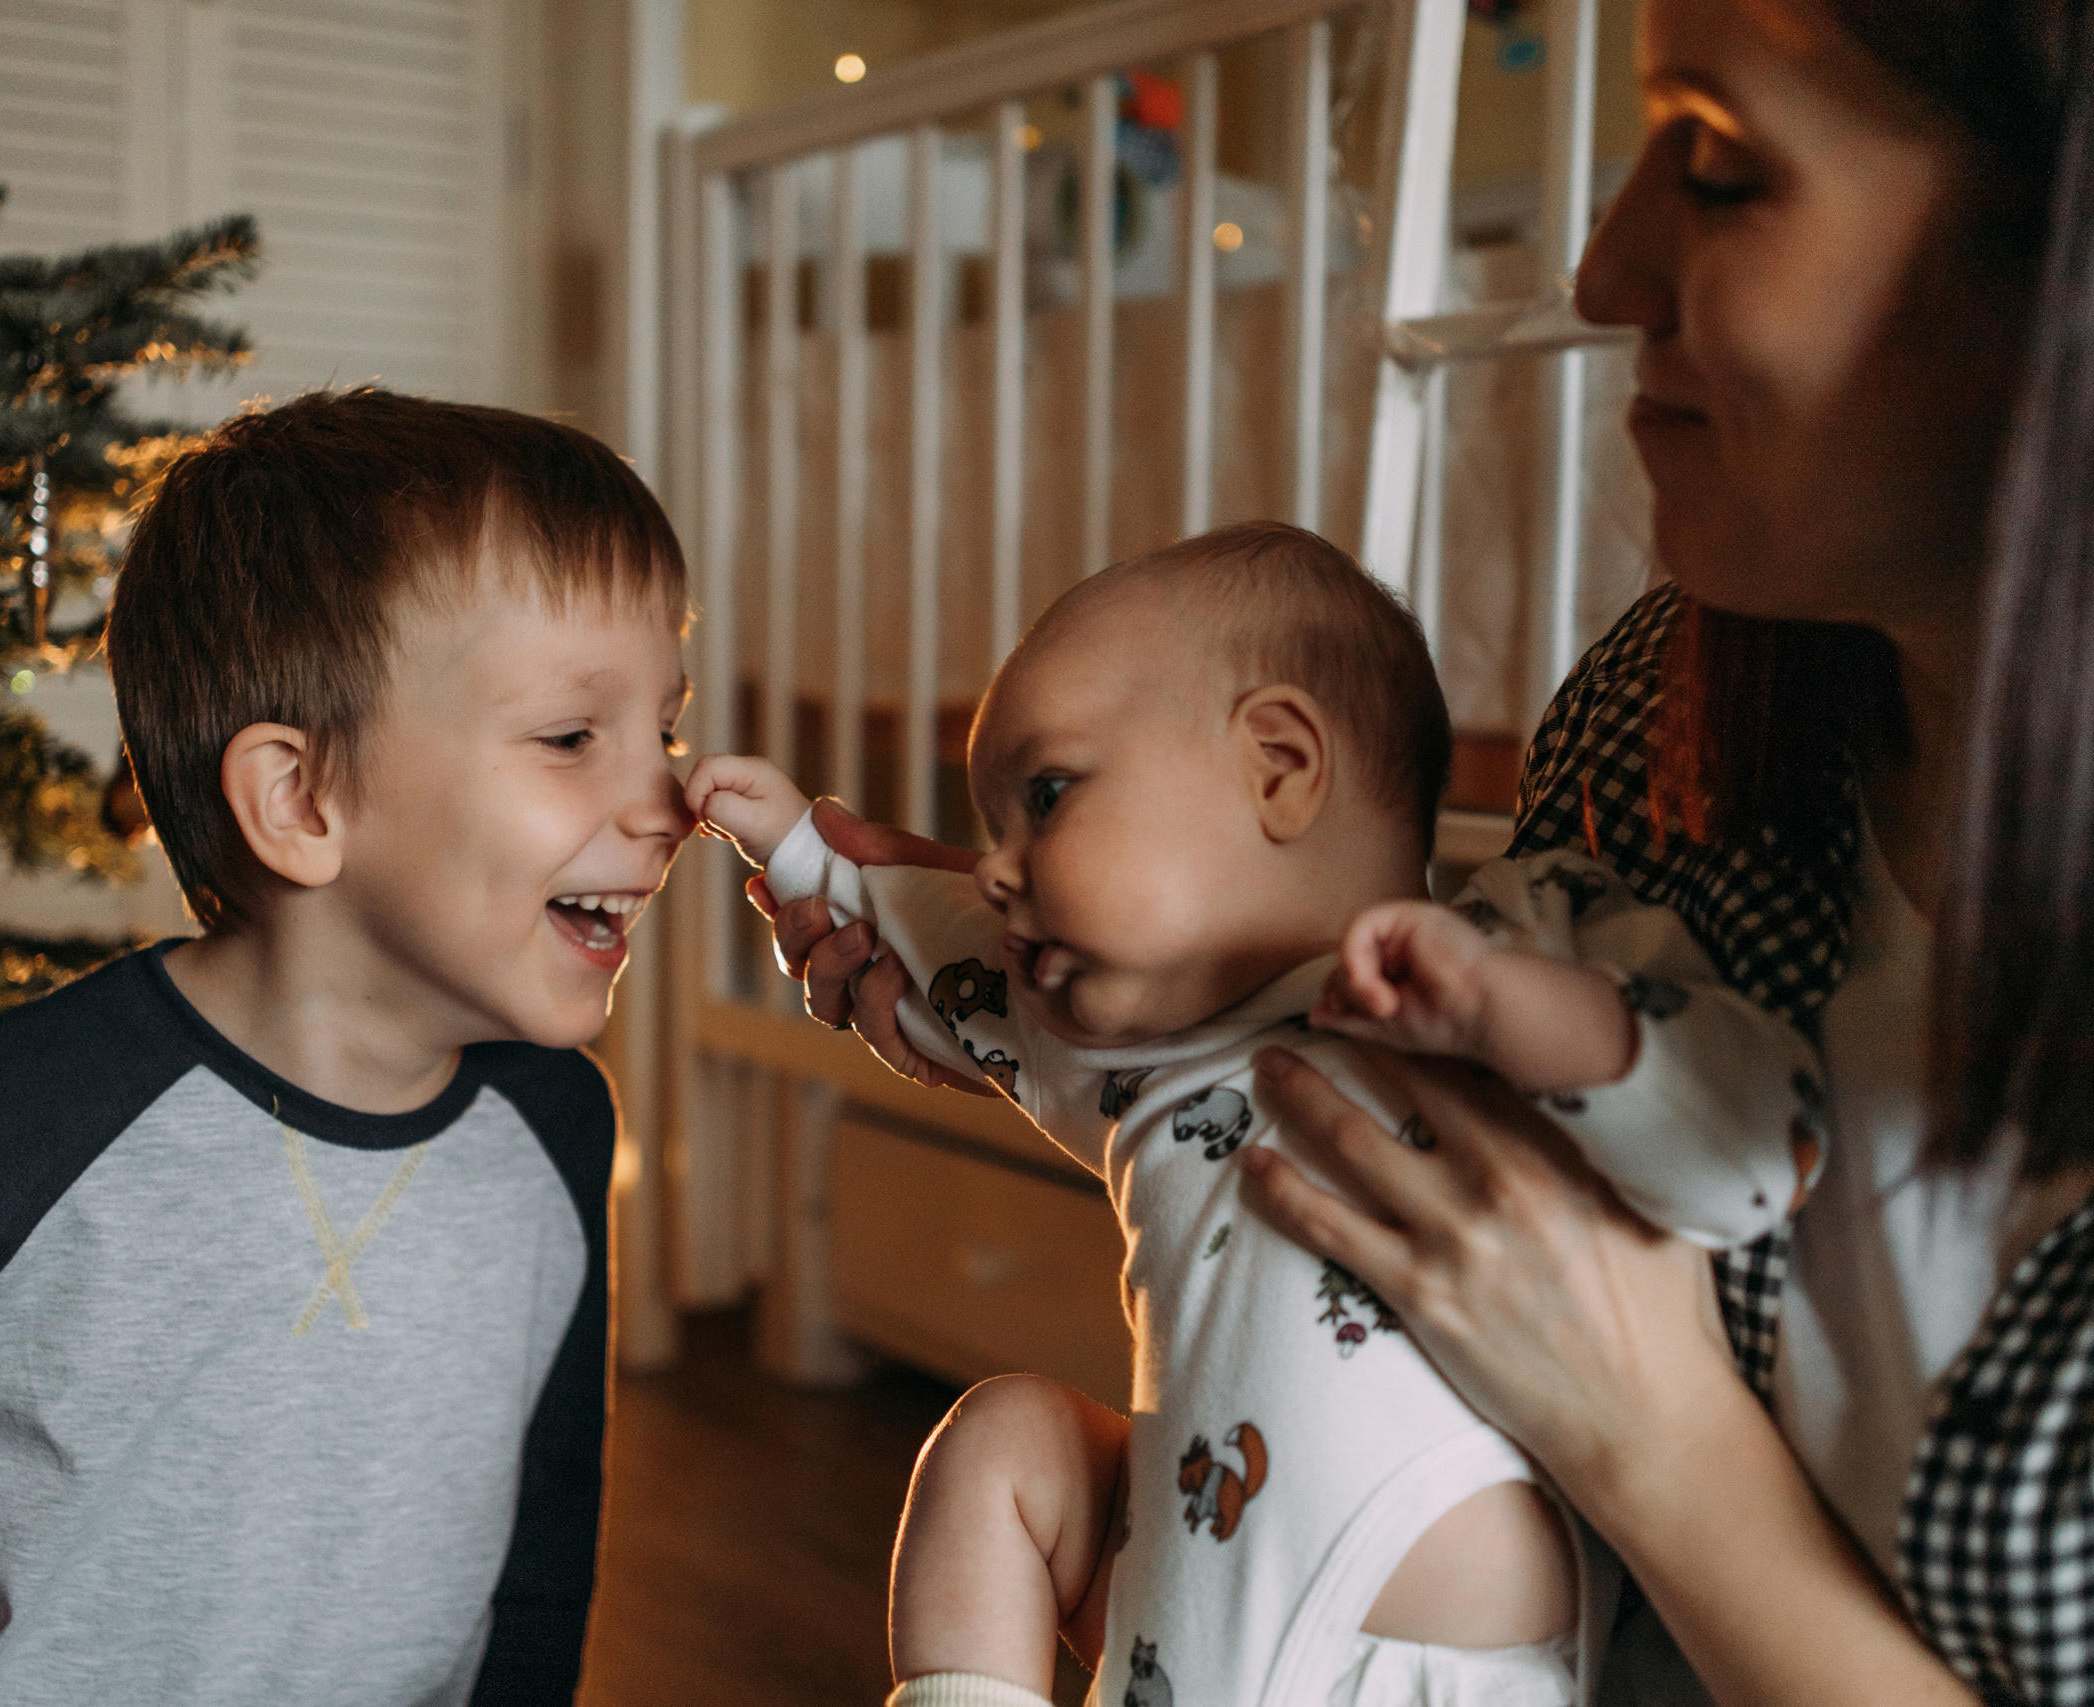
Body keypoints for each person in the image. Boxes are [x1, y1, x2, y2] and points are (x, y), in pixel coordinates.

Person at [774, 3, 2087, 1701]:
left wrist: (1649, 1431)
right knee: (1006, 1439)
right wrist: (976, 950)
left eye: (1717, 163)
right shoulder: (1667, 720)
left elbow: (1688, 1154)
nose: (1599, 270)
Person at [0, 389, 695, 1706]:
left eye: (665, 729)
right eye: (572, 737)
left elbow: (538, 1565)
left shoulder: (558, 1125)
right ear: (300, 798)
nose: (671, 800)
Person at [696, 523, 1819, 1707]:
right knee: (1002, 1441)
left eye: (1047, 796)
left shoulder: (1520, 942)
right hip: (1181, 1651)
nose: (995, 868)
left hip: (1429, 1671)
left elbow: (1755, 1146)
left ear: (1279, 765)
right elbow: (932, 934)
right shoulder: (1129, 1053)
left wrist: (1522, 1014)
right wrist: (804, 852)